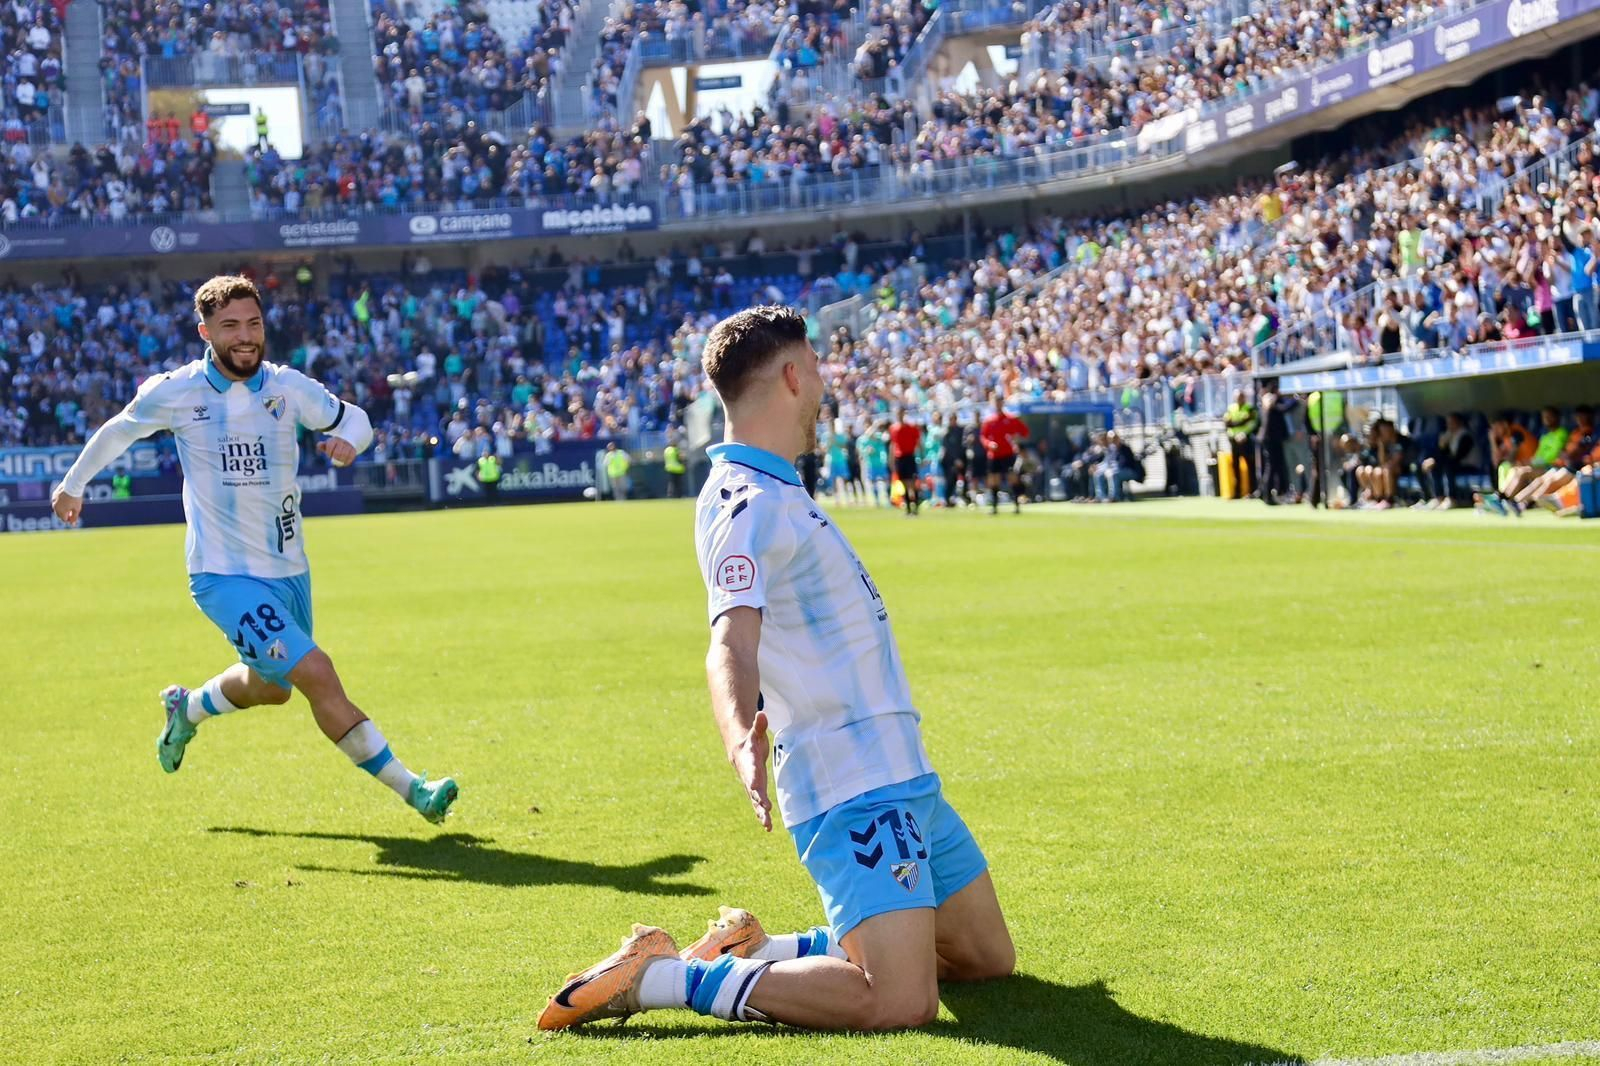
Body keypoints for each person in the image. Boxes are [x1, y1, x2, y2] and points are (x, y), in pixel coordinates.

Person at [539, 306, 1013, 1032]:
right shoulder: (744, 501)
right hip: (852, 782)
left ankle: (762, 948)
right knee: (900, 1000)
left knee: (985, 957)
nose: (824, 384)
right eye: (817, 367)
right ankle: (667, 977)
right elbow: (730, 640)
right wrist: (737, 735)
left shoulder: (779, 488)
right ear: (793, 375)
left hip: (902, 772)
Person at [48, 276, 458, 823]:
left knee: (273, 688)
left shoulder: (287, 387)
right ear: (206, 331)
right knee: (317, 674)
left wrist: (350, 441)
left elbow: (355, 419)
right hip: (221, 575)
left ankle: (186, 708)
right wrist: (73, 485)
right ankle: (415, 791)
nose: (245, 337)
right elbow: (117, 432)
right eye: (230, 327)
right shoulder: (177, 391)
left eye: (253, 324)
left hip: (288, 569)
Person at [979, 394, 1029, 514]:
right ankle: (994, 508)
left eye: (999, 401)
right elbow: (983, 437)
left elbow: (1025, 432)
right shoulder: (989, 421)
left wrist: (1017, 439)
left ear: (1003, 403)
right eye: (996, 402)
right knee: (993, 480)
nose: (998, 404)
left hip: (1008, 454)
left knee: (1013, 478)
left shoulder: (1011, 419)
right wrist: (989, 444)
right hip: (994, 455)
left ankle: (1017, 506)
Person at [1222, 391, 1259, 499]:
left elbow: (1251, 422)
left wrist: (1242, 432)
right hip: (1234, 440)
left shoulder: (1249, 408)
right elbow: (1227, 423)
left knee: (1250, 466)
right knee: (1235, 467)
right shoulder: (1231, 408)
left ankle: (1252, 491)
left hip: (1246, 439)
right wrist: (1239, 425)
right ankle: (1237, 492)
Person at [888, 408, 922, 515]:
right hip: (900, 458)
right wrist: (891, 460)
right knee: (903, 484)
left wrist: (921, 457)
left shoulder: (912, 428)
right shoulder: (894, 428)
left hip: (909, 457)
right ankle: (908, 508)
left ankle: (915, 507)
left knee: (912, 483)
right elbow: (893, 445)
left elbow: (918, 443)